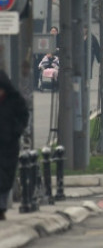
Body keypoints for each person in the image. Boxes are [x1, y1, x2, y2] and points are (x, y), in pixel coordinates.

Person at [0, 71, 28, 220]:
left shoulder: (14, 100)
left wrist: (15, 131)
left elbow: (23, 116)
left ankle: (1, 207)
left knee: (5, 178)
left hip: (8, 146)